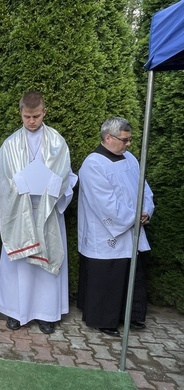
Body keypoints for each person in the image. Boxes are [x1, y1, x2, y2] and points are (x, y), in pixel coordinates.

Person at [0, 91, 76, 334]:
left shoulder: (58, 142)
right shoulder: (9, 144)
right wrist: (19, 185)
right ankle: (16, 313)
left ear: (44, 112)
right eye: (27, 116)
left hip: (47, 211)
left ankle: (47, 314)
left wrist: (51, 186)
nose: (31, 121)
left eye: (36, 116)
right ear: (20, 113)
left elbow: (66, 176)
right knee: (21, 267)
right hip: (20, 214)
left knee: (45, 264)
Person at [77, 117, 154, 337]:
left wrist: (146, 210)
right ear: (108, 138)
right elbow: (104, 203)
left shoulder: (129, 159)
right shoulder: (93, 164)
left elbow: (144, 187)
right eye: (125, 140)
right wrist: (133, 217)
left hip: (132, 226)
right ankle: (105, 319)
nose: (129, 144)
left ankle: (131, 314)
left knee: (132, 272)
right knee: (109, 275)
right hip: (106, 233)